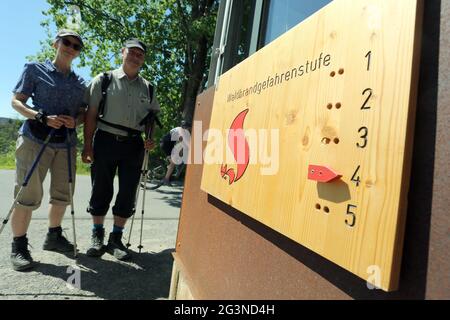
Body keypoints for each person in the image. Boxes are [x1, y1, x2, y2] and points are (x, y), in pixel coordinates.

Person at [9, 29, 87, 271]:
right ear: (56, 43)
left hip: (65, 143)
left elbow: (83, 113)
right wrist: (40, 116)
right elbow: (16, 101)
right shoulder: (34, 69)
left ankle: (53, 236)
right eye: (67, 42)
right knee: (27, 194)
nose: (70, 48)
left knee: (63, 194)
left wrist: (77, 121)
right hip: (35, 139)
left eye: (76, 46)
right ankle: (18, 246)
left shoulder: (80, 83)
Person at [82, 38, 159, 261]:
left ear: (143, 59)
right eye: (132, 52)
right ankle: (97, 236)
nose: (136, 57)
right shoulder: (104, 79)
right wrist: (87, 145)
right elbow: (91, 114)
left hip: (134, 144)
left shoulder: (149, 88)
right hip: (105, 138)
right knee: (101, 188)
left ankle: (116, 239)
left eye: (140, 55)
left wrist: (150, 138)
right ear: (122, 52)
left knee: (127, 191)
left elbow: (152, 118)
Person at [159, 120, 191, 186]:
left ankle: (169, 169)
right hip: (166, 145)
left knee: (174, 159)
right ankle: (166, 179)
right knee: (173, 163)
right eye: (188, 128)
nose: (188, 129)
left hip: (167, 145)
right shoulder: (180, 132)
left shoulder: (179, 129)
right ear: (185, 127)